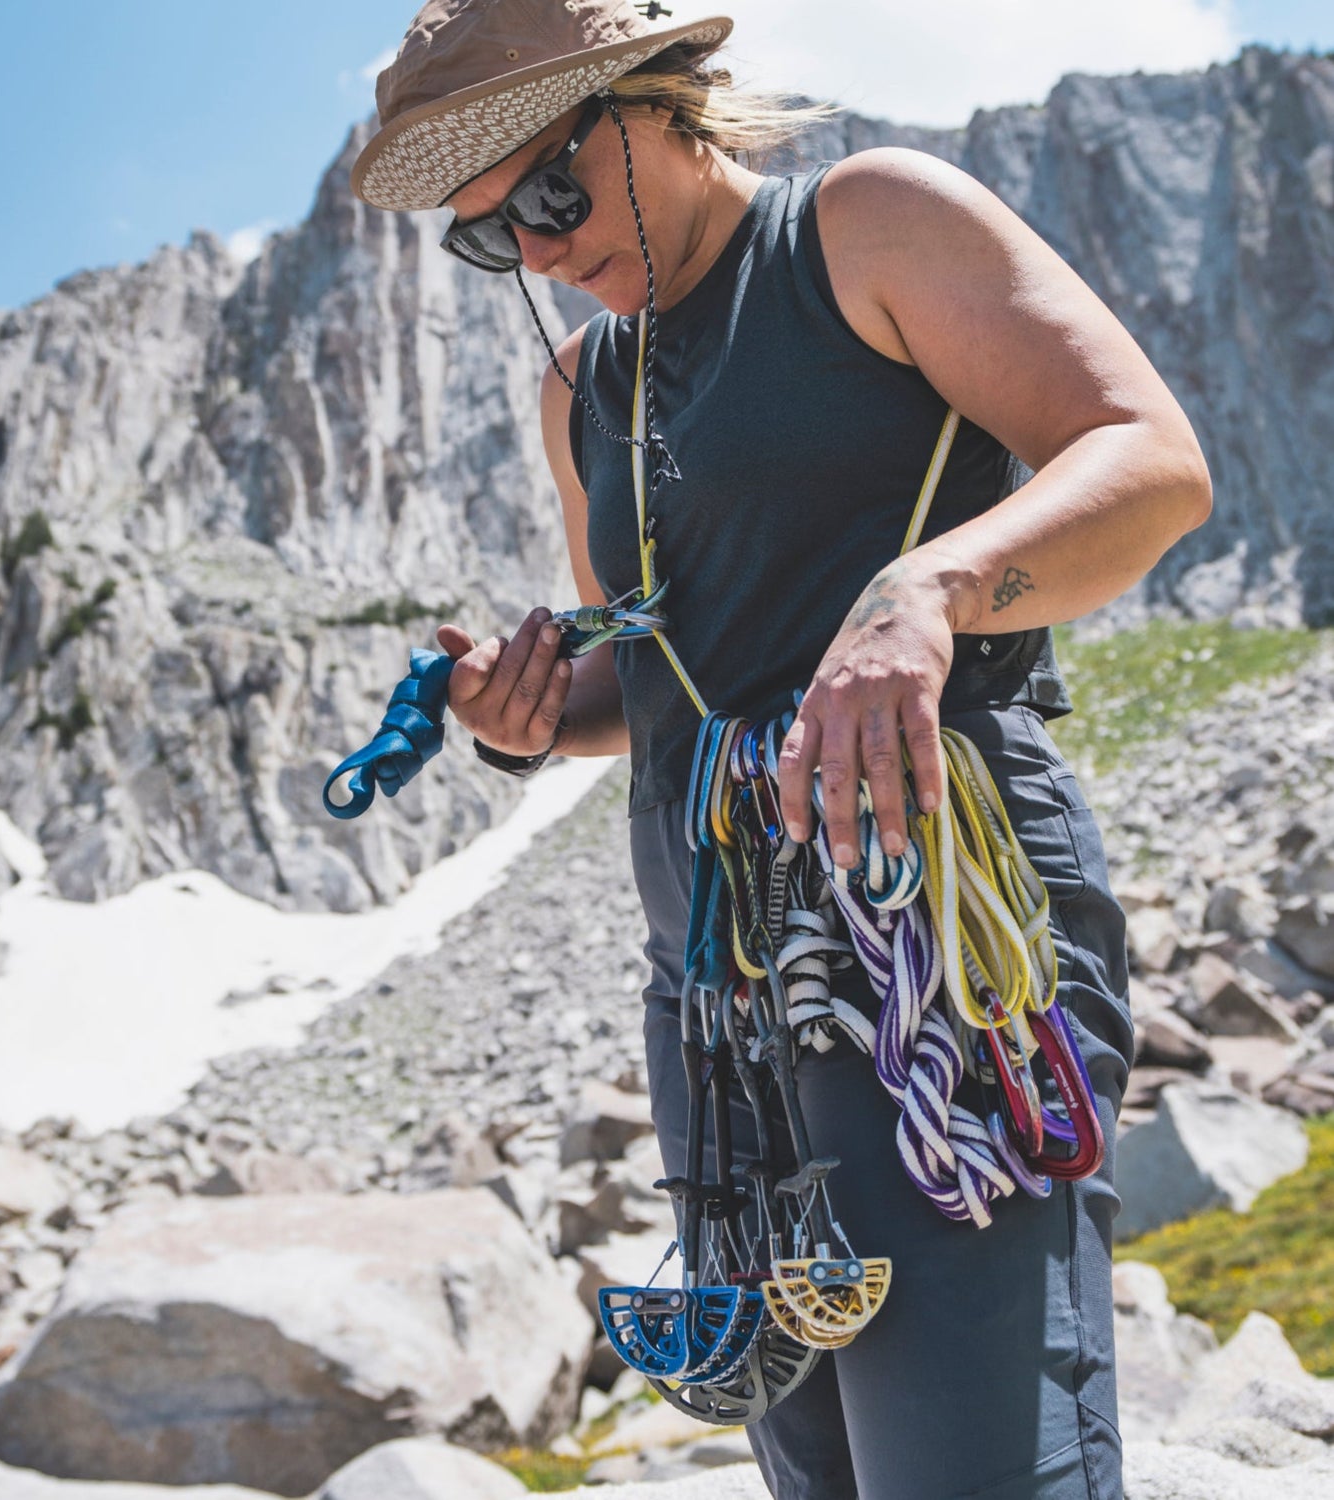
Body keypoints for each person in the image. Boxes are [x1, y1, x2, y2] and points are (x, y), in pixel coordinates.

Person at [351, 3, 1211, 1496]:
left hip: (941, 945)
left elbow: (1149, 461)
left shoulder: (866, 226)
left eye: (548, 196)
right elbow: (661, 664)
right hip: (716, 998)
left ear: (658, 101)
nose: (539, 253)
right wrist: (537, 711)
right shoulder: (581, 396)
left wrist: (932, 587)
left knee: (973, 1465)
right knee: (815, 1471)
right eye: (491, 240)